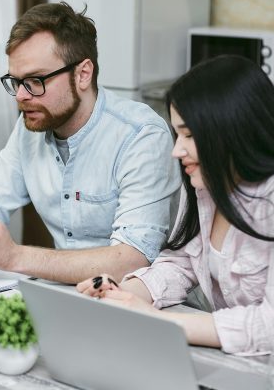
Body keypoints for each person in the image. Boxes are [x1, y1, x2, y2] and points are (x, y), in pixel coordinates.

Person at [0, 2, 180, 283]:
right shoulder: (31, 127)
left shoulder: (141, 135)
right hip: (67, 295)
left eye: (35, 80)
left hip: (140, 299)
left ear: (83, 74)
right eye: (16, 81)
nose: (21, 96)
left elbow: (133, 259)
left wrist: (15, 257)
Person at [77, 55, 274, 355]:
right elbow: (180, 264)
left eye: (189, 135)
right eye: (177, 134)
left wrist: (158, 321)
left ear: (232, 129)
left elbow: (268, 325)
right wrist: (121, 294)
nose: (176, 150)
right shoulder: (205, 186)